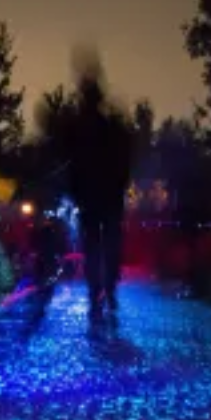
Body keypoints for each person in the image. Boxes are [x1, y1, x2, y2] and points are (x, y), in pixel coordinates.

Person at [64, 71, 134, 326]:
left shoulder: (88, 129)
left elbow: (73, 163)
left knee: (97, 246)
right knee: (104, 245)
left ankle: (101, 293)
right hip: (103, 197)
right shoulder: (104, 128)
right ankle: (104, 291)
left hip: (97, 197)